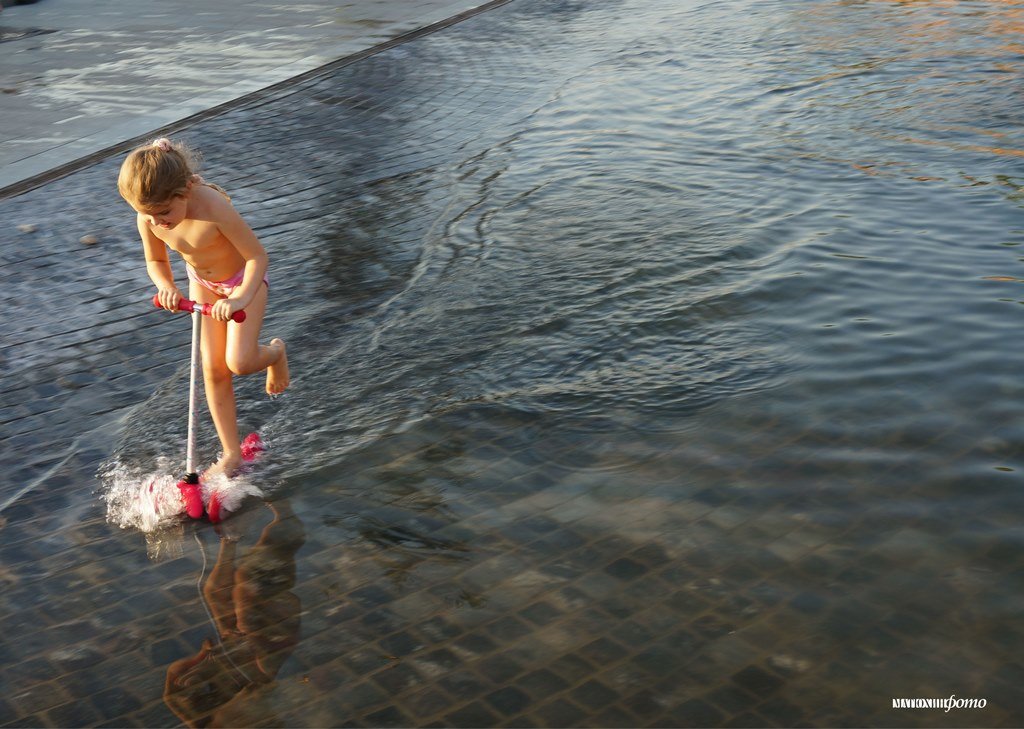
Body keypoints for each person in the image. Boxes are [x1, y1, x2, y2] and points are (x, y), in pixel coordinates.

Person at [118, 138, 289, 478]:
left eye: (164, 213)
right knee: (212, 370)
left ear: (184, 192)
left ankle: (275, 353)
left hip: (242, 281)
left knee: (239, 362)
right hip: (203, 282)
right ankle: (231, 454)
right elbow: (155, 259)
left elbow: (258, 256)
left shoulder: (213, 208)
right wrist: (165, 286)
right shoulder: (150, 215)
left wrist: (240, 298)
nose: (158, 222)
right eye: (147, 215)